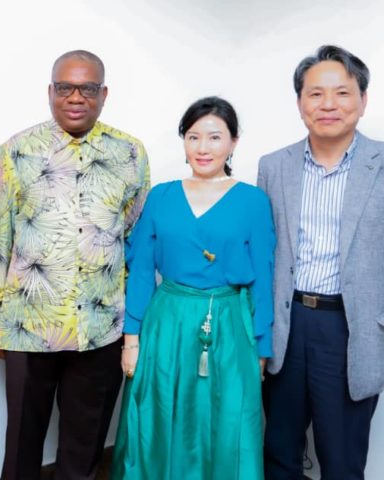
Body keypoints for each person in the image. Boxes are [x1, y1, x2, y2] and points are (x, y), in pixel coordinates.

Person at [259, 45, 384, 479]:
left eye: (342, 93)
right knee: (278, 448)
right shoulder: (273, 166)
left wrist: (363, 292)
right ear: (300, 102)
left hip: (350, 329)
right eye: (315, 94)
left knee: (341, 458)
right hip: (286, 324)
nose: (328, 104)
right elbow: (267, 247)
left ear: (363, 99)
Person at [0, 50, 151, 480]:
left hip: (100, 326)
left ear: (104, 94)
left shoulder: (130, 153)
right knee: (22, 444)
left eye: (87, 88)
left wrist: (132, 323)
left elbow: (134, 238)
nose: (76, 97)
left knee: (84, 446)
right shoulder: (15, 151)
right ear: (50, 91)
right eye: (65, 88)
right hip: (27, 324)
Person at [111, 97, 273, 480]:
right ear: (184, 141)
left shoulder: (253, 201)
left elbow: (265, 278)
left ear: (233, 142)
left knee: (228, 421)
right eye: (193, 136)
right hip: (167, 322)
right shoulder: (161, 196)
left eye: (215, 137)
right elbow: (141, 270)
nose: (203, 147)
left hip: (230, 326)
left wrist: (261, 349)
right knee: (160, 415)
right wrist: (131, 340)